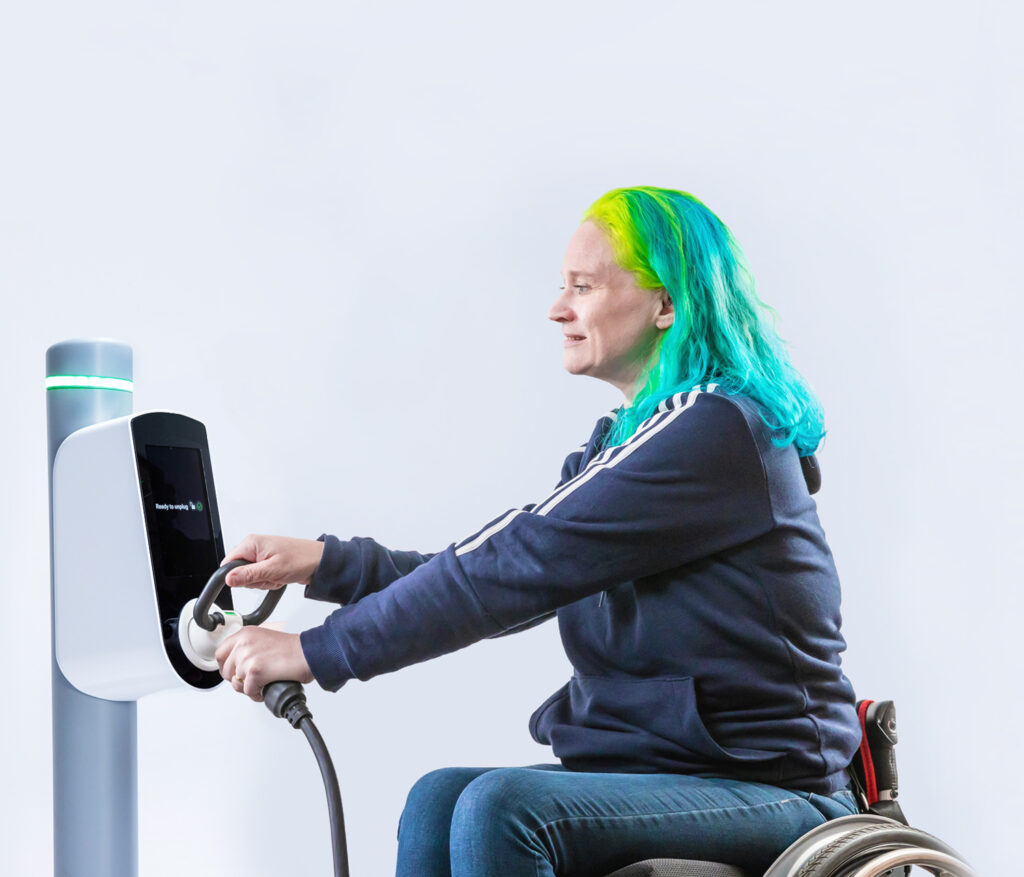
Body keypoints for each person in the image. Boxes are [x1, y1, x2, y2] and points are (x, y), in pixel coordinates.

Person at [214, 186, 863, 876]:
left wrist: (316, 651)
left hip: (781, 794)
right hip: (660, 775)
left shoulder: (716, 430)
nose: (558, 308)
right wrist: (325, 564)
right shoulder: (628, 442)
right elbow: (509, 571)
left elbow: (515, 563)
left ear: (666, 303)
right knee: (438, 801)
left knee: (503, 807)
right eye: (562, 286)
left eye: (583, 286)